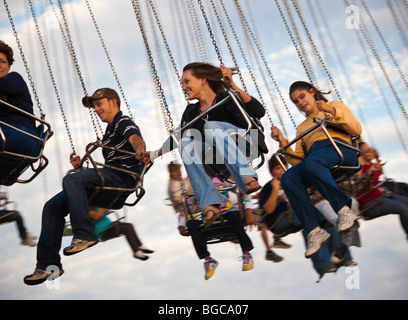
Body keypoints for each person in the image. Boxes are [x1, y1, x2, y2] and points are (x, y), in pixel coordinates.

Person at [24, 88, 146, 286]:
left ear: (113, 102)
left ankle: (85, 234)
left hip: (122, 177)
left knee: (72, 180)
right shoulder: (109, 133)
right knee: (51, 206)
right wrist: (81, 168)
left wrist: (140, 149)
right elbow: (98, 175)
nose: (96, 109)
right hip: (111, 176)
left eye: (99, 104)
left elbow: (134, 137)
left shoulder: (123, 122)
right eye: (94, 106)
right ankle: (47, 265)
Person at [143, 62, 267, 229]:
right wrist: (153, 155)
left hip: (247, 144)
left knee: (211, 127)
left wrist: (232, 85)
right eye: (182, 84)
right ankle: (210, 203)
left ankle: (246, 175)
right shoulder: (191, 112)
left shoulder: (226, 98)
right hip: (220, 159)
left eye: (187, 82)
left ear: (202, 79)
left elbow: (258, 111)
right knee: (186, 143)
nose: (184, 88)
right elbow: (177, 137)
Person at [272, 81, 362, 258]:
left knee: (312, 163)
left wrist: (331, 110)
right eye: (296, 101)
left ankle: (344, 209)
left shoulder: (334, 105)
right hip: (316, 158)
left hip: (340, 149)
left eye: (302, 97)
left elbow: (355, 128)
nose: (300, 103)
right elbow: (299, 162)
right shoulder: (302, 128)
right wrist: (283, 141)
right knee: (289, 178)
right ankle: (314, 229)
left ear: (312, 92)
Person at [179, 178, 254, 280]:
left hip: (227, 218)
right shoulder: (198, 188)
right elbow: (186, 207)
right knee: (191, 224)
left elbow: (245, 194)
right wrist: (181, 225)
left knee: (235, 214)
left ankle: (246, 253)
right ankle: (208, 260)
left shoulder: (225, 181)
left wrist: (248, 213)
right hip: (209, 222)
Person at [356, 142, 408, 240]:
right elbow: (359, 183)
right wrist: (367, 167)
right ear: (361, 154)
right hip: (369, 203)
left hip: (380, 195)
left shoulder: (372, 164)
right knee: (403, 208)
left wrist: (376, 158)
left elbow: (379, 173)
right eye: (368, 151)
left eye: (371, 148)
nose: (372, 151)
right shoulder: (360, 166)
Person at [258, 156, 301, 262]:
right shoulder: (269, 187)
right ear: (272, 171)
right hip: (278, 221)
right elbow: (268, 210)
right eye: (278, 168)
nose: (282, 169)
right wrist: (275, 190)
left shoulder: (291, 182)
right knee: (308, 211)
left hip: (294, 214)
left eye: (284, 166)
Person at [0, 40, 39, 157]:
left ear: (9, 66)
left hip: (20, 132)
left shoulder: (15, 78)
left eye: (2, 61)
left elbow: (3, 87)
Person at [89, 207, 153, 261]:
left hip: (110, 226)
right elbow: (95, 217)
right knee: (126, 228)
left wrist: (106, 210)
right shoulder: (90, 207)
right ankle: (136, 252)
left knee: (129, 225)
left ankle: (139, 246)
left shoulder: (98, 207)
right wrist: (103, 209)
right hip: (103, 231)